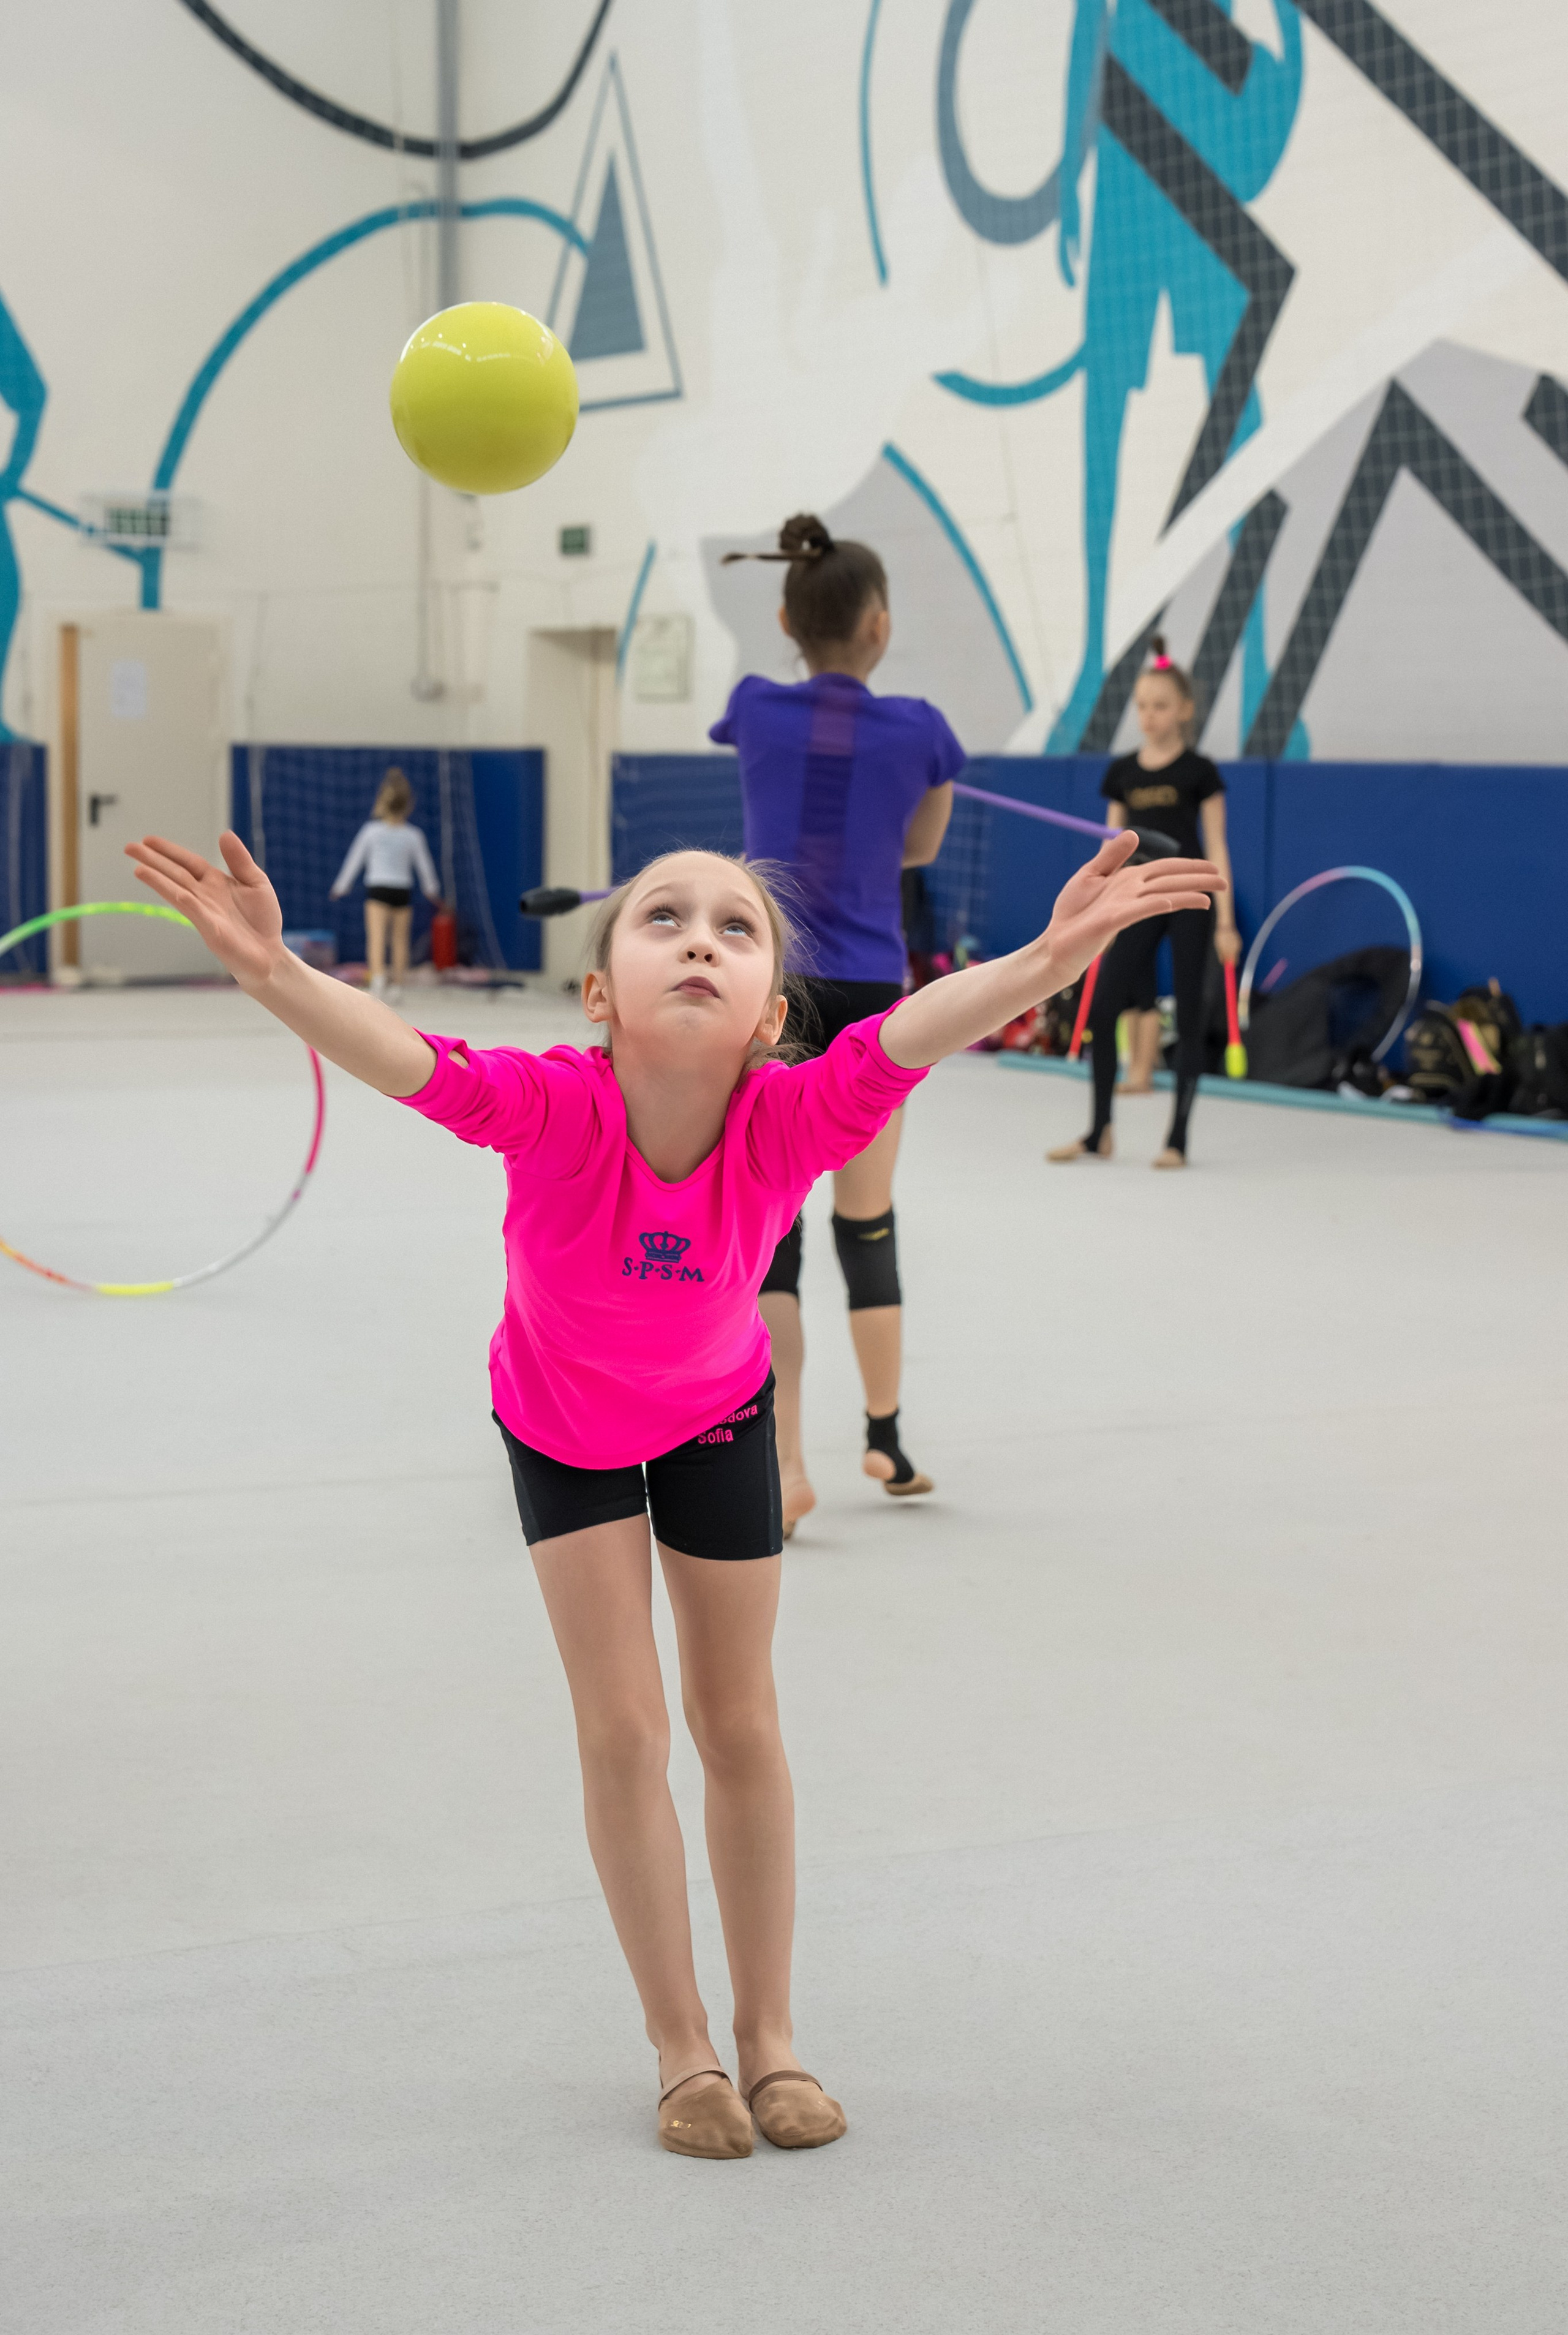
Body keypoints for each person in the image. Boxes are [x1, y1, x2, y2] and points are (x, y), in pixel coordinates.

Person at [123, 819, 1223, 2161]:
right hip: (563, 1424)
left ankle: (771, 2034)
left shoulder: (790, 1118)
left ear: (771, 1016)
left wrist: (1048, 961)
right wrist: (276, 972)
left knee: (739, 1721)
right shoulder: (553, 1106)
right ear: (599, 995)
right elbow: (407, 1058)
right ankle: (680, 2040)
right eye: (664, 918)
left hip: (716, 1414)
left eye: (733, 927)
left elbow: (910, 1033)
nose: (700, 938)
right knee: (625, 1730)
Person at [712, 513, 961, 1536]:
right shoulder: (924, 732)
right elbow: (918, 850)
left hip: (775, 991)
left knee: (774, 1228)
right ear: (880, 626)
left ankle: (783, 1464)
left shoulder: (752, 707)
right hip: (868, 996)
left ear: (785, 619)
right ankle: (886, 1435)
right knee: (868, 1215)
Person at [1049, 639, 1241, 1168]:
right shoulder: (1123, 772)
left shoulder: (1200, 771)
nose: (1148, 715)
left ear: (1184, 710)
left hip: (1190, 896)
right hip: (1136, 897)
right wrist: (1098, 911)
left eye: (1160, 705)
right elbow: (1110, 848)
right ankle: (1099, 1132)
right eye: (1141, 706)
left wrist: (1226, 923)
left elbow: (1217, 843)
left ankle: (1177, 1138)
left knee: (1190, 1010)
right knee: (1105, 1006)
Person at [330, 767, 442, 1000]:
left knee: (377, 937)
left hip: (379, 889)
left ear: (382, 802)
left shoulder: (371, 832)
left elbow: (355, 860)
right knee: (400, 941)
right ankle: (398, 986)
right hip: (402, 891)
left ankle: (378, 982)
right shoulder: (413, 835)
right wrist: (432, 890)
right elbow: (425, 867)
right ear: (408, 805)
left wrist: (341, 886)